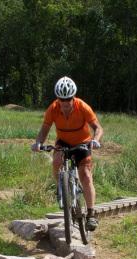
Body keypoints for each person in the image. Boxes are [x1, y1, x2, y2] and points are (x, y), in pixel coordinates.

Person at [31, 76, 104, 231]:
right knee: (56, 161)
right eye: (61, 101)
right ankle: (61, 188)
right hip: (63, 141)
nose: (65, 105)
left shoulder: (83, 107)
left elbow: (98, 128)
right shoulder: (53, 108)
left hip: (83, 142)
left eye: (68, 101)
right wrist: (38, 143)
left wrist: (95, 140)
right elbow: (45, 128)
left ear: (73, 98)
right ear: (58, 99)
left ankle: (91, 214)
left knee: (85, 174)